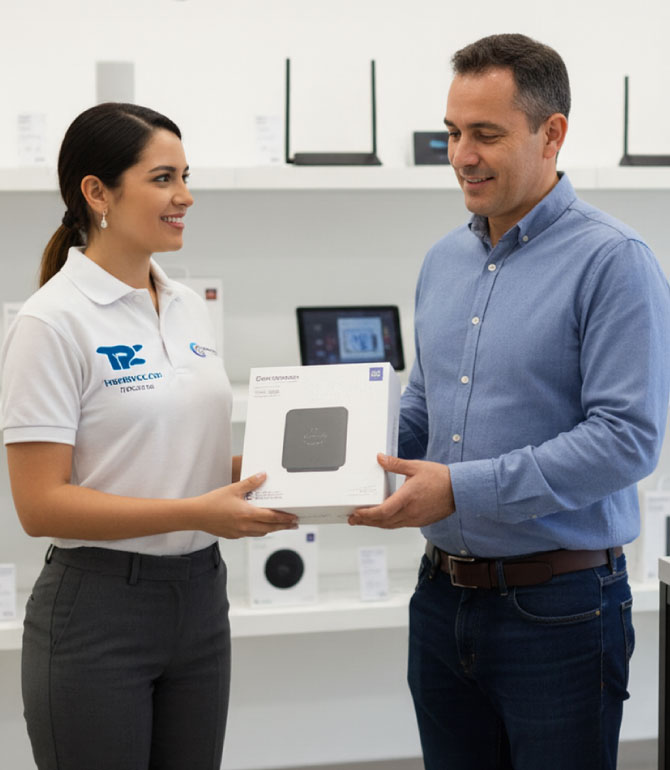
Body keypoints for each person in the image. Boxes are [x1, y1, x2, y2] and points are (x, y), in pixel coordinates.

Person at [349, 33, 670, 770]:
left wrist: (459, 489)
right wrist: (321, 464)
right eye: (452, 133)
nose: (462, 155)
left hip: (560, 609)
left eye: (486, 134)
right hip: (440, 599)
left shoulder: (615, 262)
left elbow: (625, 439)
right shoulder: (443, 260)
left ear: (551, 133)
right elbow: (423, 406)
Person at [1, 102, 298, 770]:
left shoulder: (188, 306)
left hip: (201, 599)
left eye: (186, 177)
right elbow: (40, 505)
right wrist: (198, 512)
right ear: (97, 192)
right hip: (99, 609)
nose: (185, 196)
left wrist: (280, 472)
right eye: (163, 178)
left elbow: (177, 457)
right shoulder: (50, 323)